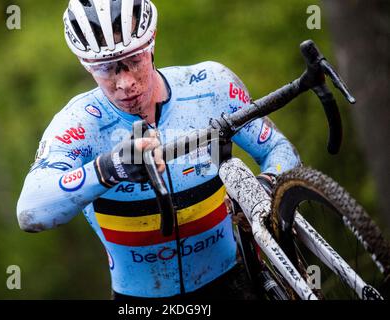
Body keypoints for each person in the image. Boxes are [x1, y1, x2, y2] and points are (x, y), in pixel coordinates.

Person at [17, 0, 301, 300]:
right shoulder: (79, 123)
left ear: (151, 44)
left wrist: (265, 186)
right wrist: (111, 168)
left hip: (235, 280)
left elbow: (279, 149)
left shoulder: (210, 86)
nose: (124, 82)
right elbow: (31, 211)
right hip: (141, 300)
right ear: (84, 64)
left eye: (134, 59)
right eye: (104, 68)